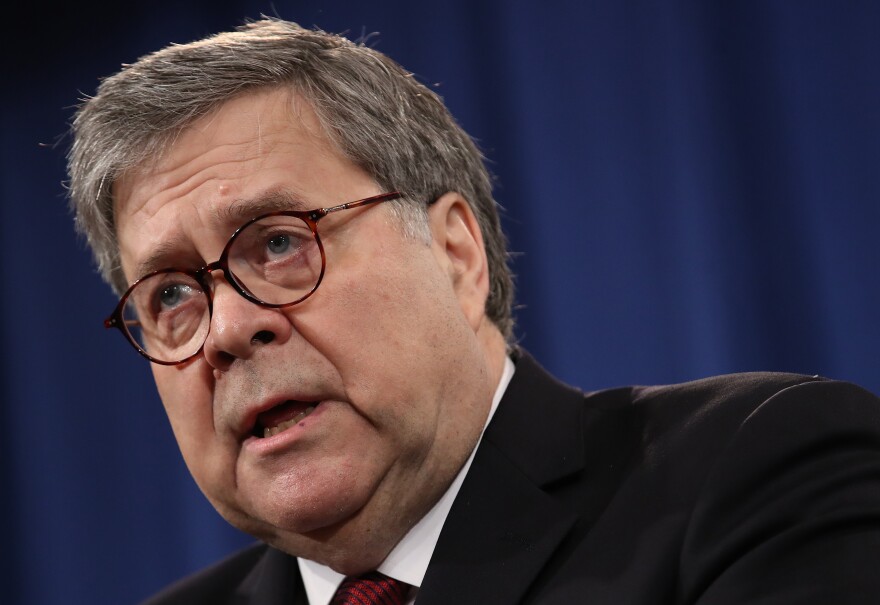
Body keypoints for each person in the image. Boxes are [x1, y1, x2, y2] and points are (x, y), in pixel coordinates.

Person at [67, 18, 880, 605]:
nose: (231, 328)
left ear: (456, 252)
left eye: (279, 244)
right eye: (171, 293)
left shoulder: (755, 473)